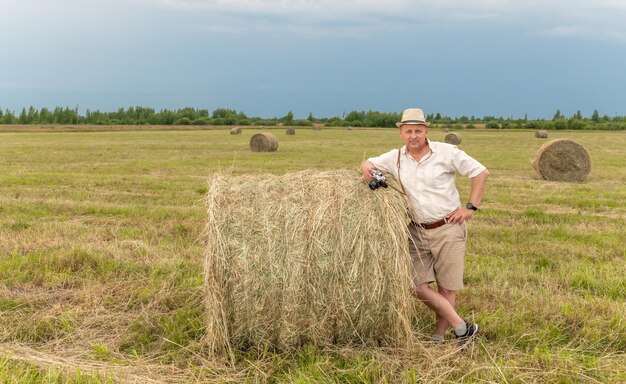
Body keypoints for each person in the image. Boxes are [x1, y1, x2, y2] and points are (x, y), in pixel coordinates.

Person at [361, 108, 488, 346]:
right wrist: (368, 172)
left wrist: (470, 207)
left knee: (447, 288)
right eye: (408, 131)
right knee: (413, 284)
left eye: (418, 130)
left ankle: (439, 337)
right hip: (416, 231)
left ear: (426, 131)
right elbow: (367, 162)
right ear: (401, 133)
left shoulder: (447, 152)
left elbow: (480, 172)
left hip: (447, 228)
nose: (413, 136)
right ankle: (463, 327)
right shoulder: (395, 157)